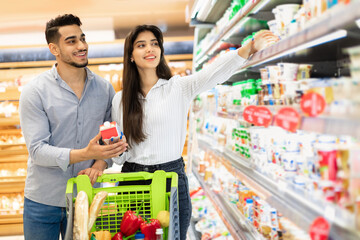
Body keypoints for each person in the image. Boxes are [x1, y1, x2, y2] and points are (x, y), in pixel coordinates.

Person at [111, 25, 278, 240]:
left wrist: (249, 48)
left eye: (154, 44)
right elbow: (120, 156)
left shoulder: (178, 88)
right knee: (132, 237)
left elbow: (212, 73)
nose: (150, 49)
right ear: (131, 56)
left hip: (171, 177)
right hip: (133, 179)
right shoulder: (120, 99)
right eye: (141, 45)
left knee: (174, 236)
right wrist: (114, 148)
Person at [19, 14, 127, 240]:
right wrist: (85, 154)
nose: (81, 46)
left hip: (86, 196)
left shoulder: (104, 89)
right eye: (71, 41)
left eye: (82, 38)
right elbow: (38, 150)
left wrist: (99, 163)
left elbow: (109, 138)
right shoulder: (35, 91)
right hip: (43, 200)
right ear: (54, 48)